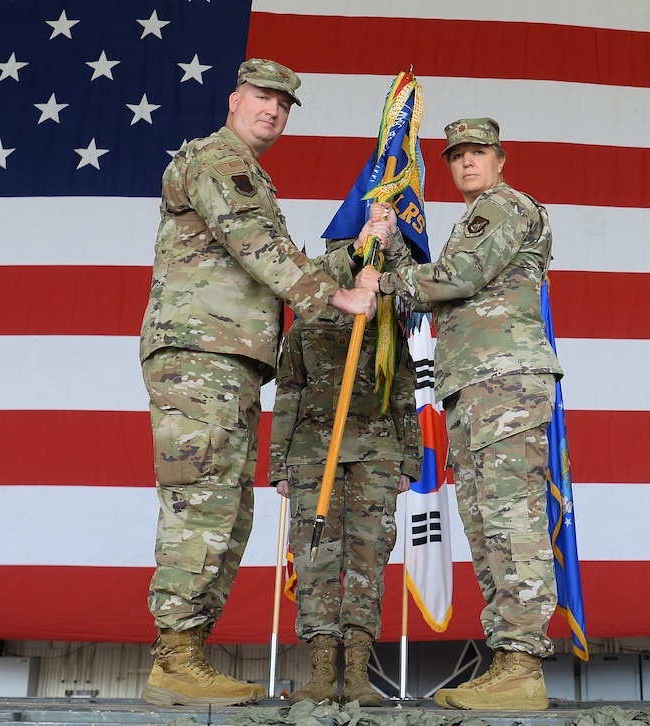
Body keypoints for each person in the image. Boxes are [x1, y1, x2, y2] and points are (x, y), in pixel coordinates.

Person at [138, 58, 394, 707]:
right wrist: (337, 296)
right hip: (200, 351)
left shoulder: (252, 174)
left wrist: (358, 253)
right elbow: (257, 247)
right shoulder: (215, 159)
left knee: (226, 506)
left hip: (228, 359)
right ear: (234, 99)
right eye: (262, 97)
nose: (273, 111)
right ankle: (174, 658)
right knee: (202, 501)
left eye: (283, 105)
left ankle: (185, 654)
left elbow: (280, 257)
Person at [356, 118, 562, 711]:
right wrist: (392, 243)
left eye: (479, 152)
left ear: (501, 158)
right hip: (474, 383)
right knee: (485, 521)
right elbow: (450, 279)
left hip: (505, 381)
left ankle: (522, 663)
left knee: (510, 518)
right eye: (457, 156)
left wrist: (383, 283)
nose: (467, 162)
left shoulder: (502, 206)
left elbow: (457, 278)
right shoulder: (474, 219)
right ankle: (508, 661)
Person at [270, 227, 421, 707]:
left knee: (367, 561)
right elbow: (288, 392)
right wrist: (278, 464)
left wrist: (409, 461)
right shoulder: (305, 323)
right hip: (315, 455)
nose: (355, 270)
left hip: (377, 455)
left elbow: (403, 395)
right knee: (314, 561)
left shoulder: (387, 326)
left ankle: (356, 671)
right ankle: (319, 672)